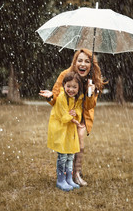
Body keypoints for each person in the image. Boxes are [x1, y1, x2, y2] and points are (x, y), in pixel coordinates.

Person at [40, 48, 106, 186]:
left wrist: (90, 93)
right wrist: (50, 97)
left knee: (80, 145)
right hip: (66, 115)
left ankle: (76, 173)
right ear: (75, 62)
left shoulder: (93, 80)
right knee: (67, 147)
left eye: (87, 61)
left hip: (82, 115)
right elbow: (56, 99)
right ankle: (64, 175)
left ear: (91, 65)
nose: (83, 64)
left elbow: (89, 107)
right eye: (79, 60)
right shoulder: (66, 74)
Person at [43, 71, 84, 191]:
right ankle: (60, 179)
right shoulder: (61, 97)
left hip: (70, 131)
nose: (71, 89)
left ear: (78, 88)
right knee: (63, 156)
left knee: (70, 155)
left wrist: (76, 113)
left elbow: (78, 111)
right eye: (68, 86)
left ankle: (69, 178)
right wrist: (73, 119)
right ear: (64, 85)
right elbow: (63, 115)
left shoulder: (77, 98)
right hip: (61, 130)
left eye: (74, 87)